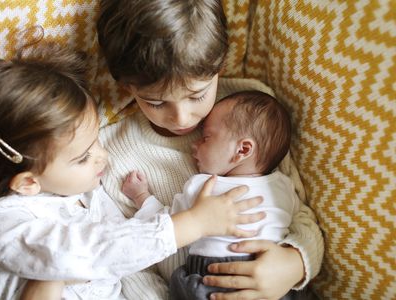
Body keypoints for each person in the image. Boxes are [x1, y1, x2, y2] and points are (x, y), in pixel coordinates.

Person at [0, 43, 264, 300]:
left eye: (96, 142)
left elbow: (132, 259)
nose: (103, 156)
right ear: (29, 183)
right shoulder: (8, 222)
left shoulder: (89, 194)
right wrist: (191, 224)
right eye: (83, 157)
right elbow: (89, 251)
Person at [97, 0, 324, 299]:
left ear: (220, 66)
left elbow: (297, 210)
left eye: (197, 95)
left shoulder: (254, 109)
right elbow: (128, 264)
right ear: (128, 87)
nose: (182, 118)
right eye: (155, 102)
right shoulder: (110, 152)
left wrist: (296, 263)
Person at [122, 90, 301, 299]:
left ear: (243, 150)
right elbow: (300, 223)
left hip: (213, 278)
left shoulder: (204, 187)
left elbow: (167, 226)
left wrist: (141, 196)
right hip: (272, 282)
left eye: (206, 137)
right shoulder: (284, 186)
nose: (194, 143)